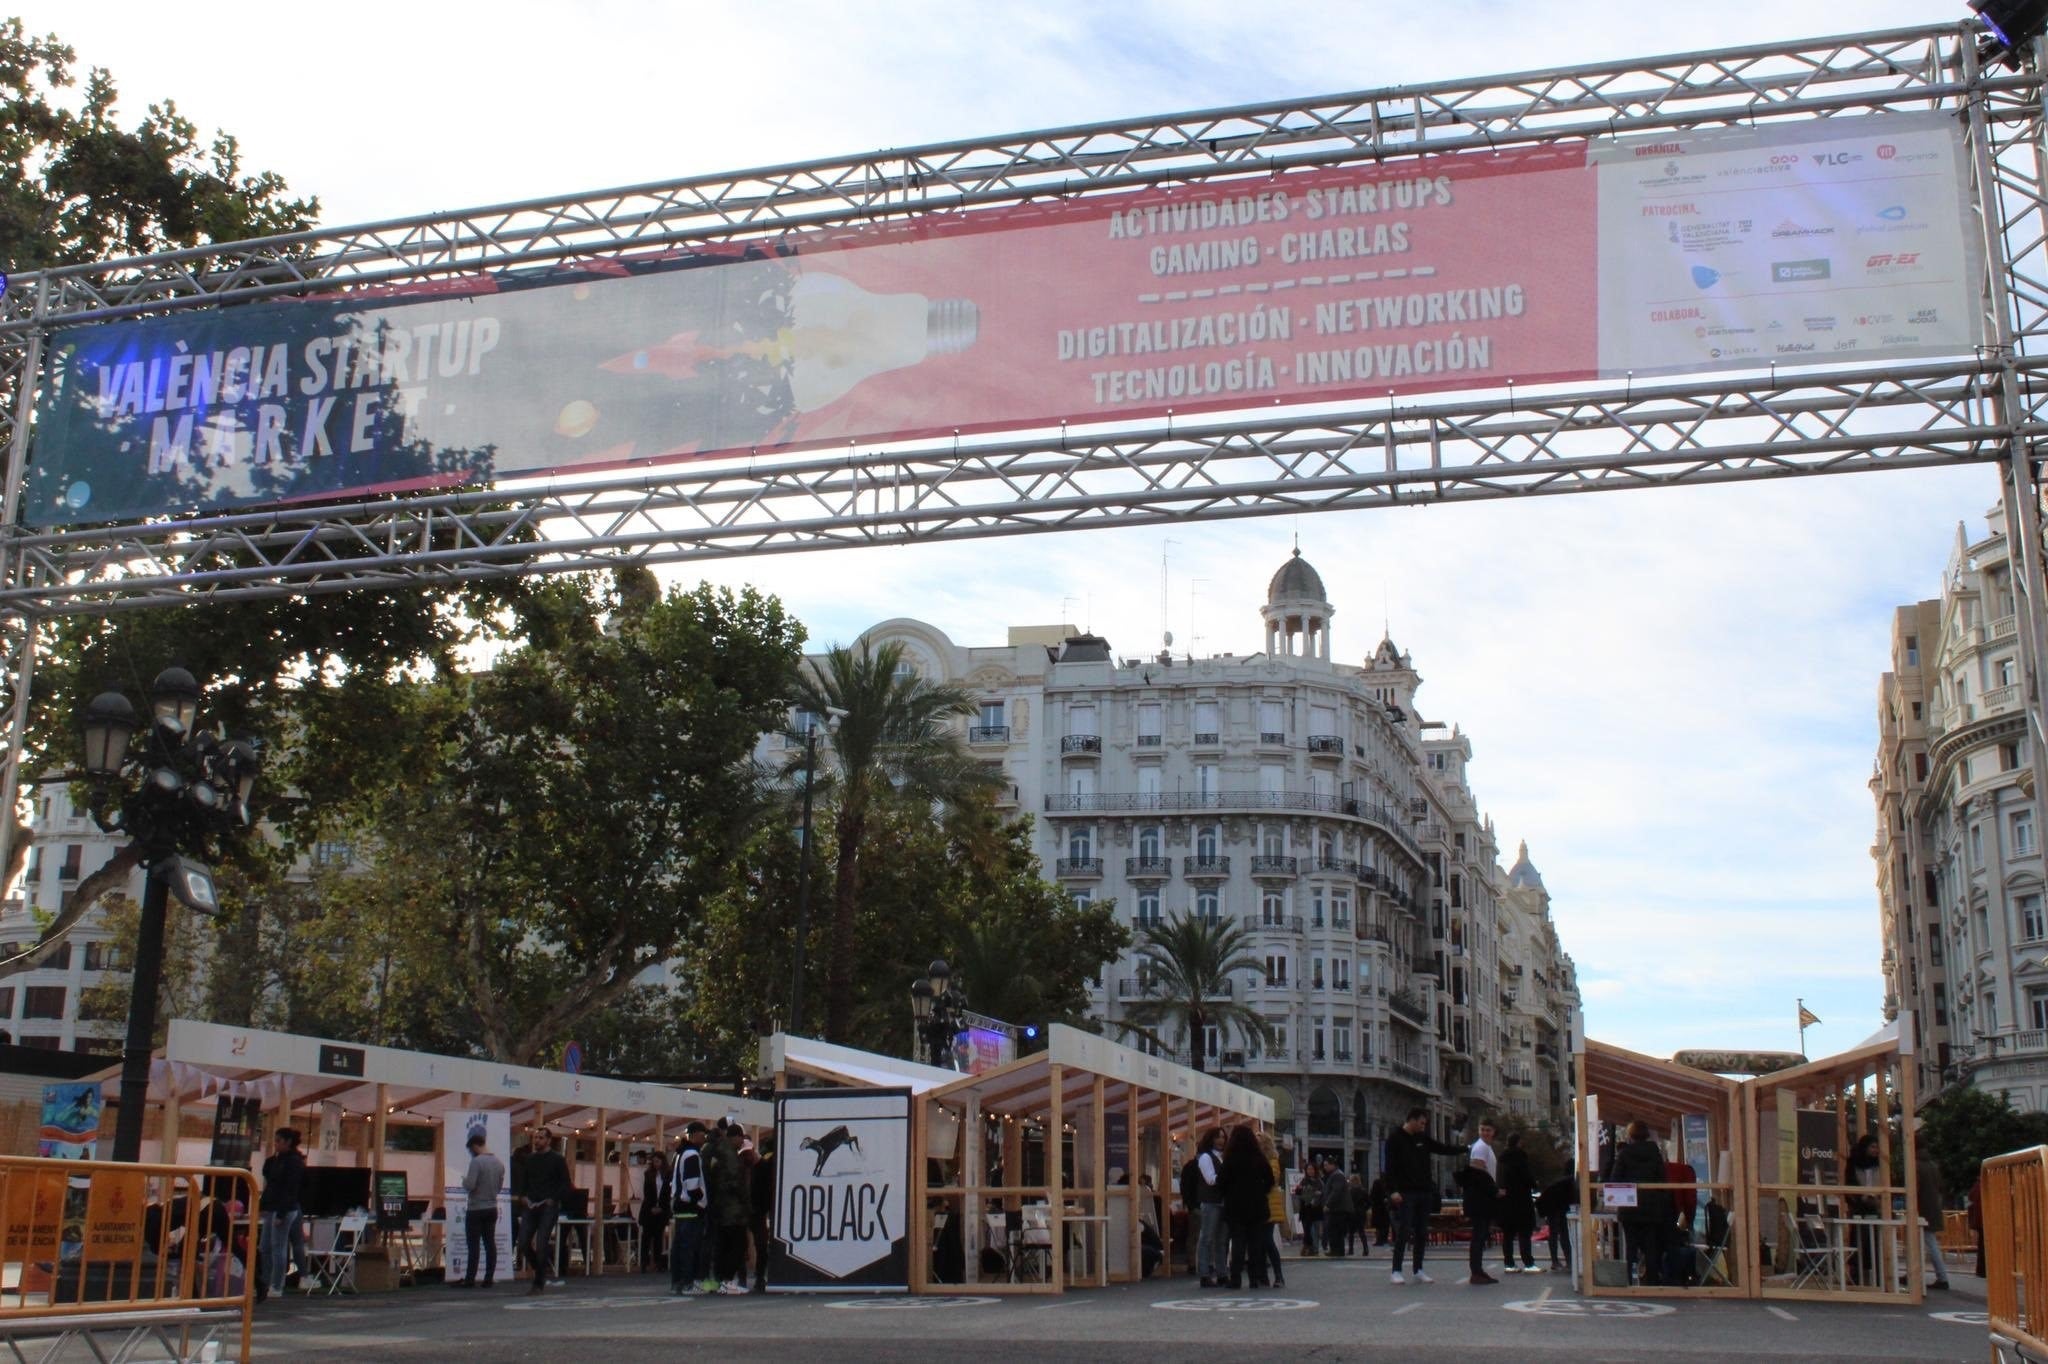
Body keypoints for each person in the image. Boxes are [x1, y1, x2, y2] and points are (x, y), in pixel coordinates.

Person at [1384, 1107, 1469, 1285]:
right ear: (1412, 1120)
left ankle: (1418, 1269)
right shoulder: (1395, 1138)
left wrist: (1465, 1148)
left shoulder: (1422, 1138)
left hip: (1424, 1191)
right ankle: (1396, 1270)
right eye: (1422, 1123)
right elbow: (1390, 1168)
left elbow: (1442, 1148)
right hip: (1406, 1192)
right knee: (1404, 1231)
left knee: (1422, 1232)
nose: (1424, 1127)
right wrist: (1393, 1191)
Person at [1609, 1121, 1672, 1287]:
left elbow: (1615, 1179)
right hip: (1652, 1207)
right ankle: (1651, 1279)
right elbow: (1662, 1180)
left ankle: (1630, 1278)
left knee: (1631, 1246)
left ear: (1630, 1136)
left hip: (1629, 1206)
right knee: (1651, 1245)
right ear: (1647, 1135)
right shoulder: (1655, 1154)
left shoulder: (1624, 1154)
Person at [1221, 1125, 1275, 1290]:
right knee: (1255, 1245)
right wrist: (1260, 1192)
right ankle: (1254, 1278)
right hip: (1257, 1206)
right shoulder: (1259, 1158)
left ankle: (1235, 1278)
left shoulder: (1230, 1159)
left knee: (1238, 1243)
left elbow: (1221, 1182)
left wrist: (1229, 1194)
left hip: (1235, 1207)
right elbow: (1270, 1180)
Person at [520, 1127, 571, 1295]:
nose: (537, 1141)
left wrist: (554, 1198)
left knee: (542, 1242)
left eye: (541, 1138)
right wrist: (523, 1196)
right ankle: (540, 1269)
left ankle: (539, 1281)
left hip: (548, 1205)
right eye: (536, 1138)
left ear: (548, 1140)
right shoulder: (530, 1159)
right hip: (531, 1204)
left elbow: (565, 1183)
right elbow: (523, 1181)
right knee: (523, 1242)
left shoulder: (557, 1160)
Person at [258, 1126, 306, 1300]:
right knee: (265, 1247)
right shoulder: (277, 1160)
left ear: (287, 1142)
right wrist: (263, 1205)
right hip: (273, 1207)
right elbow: (270, 1182)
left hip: (284, 1209)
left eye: (278, 1141)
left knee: (278, 1247)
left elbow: (290, 1189)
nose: (275, 1144)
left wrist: (282, 1212)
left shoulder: (294, 1162)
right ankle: (265, 1281)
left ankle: (277, 1284)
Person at [705, 1121, 750, 1294]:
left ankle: (720, 1279)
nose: (742, 1143)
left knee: (722, 1246)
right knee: (738, 1245)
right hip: (733, 1210)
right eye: (741, 1139)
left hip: (719, 1207)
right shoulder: (730, 1155)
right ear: (736, 1137)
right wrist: (746, 1203)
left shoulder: (715, 1151)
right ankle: (728, 1279)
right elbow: (736, 1184)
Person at [459, 1129, 506, 1287]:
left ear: (475, 1146)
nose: (471, 1153)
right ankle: (488, 1278)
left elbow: (471, 1185)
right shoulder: (499, 1163)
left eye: (471, 1150)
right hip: (492, 1207)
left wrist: (464, 1181)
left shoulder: (477, 1162)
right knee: (489, 1243)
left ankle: (470, 1278)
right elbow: (499, 1188)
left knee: (473, 1245)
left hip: (476, 1208)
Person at [1460, 1120, 1501, 1285]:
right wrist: (1494, 1190)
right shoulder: (1480, 1148)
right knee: (1478, 1235)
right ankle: (1476, 1271)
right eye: (1482, 1129)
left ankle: (1478, 1270)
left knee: (1481, 1234)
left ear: (1494, 1131)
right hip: (1479, 1199)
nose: (1485, 1132)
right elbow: (1478, 1175)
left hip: (1483, 1197)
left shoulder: (1485, 1147)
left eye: (1488, 1130)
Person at [670, 1126, 708, 1294]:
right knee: (690, 1247)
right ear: (694, 1136)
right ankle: (688, 1283)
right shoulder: (692, 1154)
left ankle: (677, 1282)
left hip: (680, 1205)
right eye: (702, 1134)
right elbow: (692, 1183)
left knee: (679, 1246)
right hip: (691, 1207)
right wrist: (700, 1200)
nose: (704, 1137)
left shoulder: (679, 1154)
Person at [1496, 1131, 1538, 1273]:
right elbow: (1527, 1177)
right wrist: (1534, 1183)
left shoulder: (1501, 1158)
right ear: (1519, 1142)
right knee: (1524, 1233)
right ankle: (1528, 1262)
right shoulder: (1520, 1157)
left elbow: (1499, 1179)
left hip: (1506, 1201)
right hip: (1521, 1199)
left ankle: (1509, 1263)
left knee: (1508, 1234)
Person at [1196, 1127, 1228, 1287]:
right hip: (1211, 1202)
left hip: (1223, 1201)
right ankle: (1204, 1273)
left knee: (1221, 1240)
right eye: (1218, 1137)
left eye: (1223, 1137)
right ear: (1211, 1139)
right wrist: (1228, 1177)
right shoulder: (1205, 1157)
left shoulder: (1224, 1157)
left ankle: (1222, 1273)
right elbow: (1210, 1179)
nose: (1221, 1140)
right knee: (1207, 1238)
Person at [1255, 1131, 1286, 1290]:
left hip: (1269, 1205)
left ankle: (1278, 1276)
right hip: (1259, 1204)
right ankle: (1263, 1276)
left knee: (1267, 1240)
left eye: (1258, 1141)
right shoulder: (1256, 1159)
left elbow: (1271, 1179)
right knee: (1259, 1242)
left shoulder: (1272, 1160)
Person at [1917, 1149, 1950, 1290]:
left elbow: (1916, 1187)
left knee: (1929, 1242)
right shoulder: (1932, 1165)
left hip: (1923, 1209)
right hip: (1933, 1207)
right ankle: (1941, 1277)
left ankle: (1942, 1277)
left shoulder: (1916, 1165)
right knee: (1928, 1242)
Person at [749, 1132, 776, 1292]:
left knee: (760, 1245)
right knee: (763, 1245)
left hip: (757, 1208)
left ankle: (759, 1277)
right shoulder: (771, 1162)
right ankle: (762, 1277)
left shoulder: (762, 1163)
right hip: (764, 1208)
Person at [1537, 1167, 1578, 1273]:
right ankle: (1565, 1261)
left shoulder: (1564, 1182)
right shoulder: (1570, 1183)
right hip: (1556, 1206)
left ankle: (1557, 1261)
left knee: (1555, 1233)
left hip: (1552, 1205)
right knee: (1562, 1233)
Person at [639, 1146, 670, 1271]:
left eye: (658, 1161)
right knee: (646, 1236)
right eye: (654, 1161)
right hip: (649, 1209)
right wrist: (652, 1207)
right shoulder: (648, 1174)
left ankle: (658, 1262)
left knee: (658, 1236)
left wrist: (661, 1207)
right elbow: (647, 1192)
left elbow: (668, 1193)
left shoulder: (668, 1175)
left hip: (662, 1209)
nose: (656, 1164)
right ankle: (644, 1262)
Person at [1178, 1146, 1204, 1274]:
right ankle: (1198, 1263)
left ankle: (1193, 1262)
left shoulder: (1189, 1166)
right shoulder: (1195, 1167)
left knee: (1194, 1235)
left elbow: (1184, 1186)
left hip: (1195, 1206)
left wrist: (1189, 1204)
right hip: (1199, 1205)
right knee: (1199, 1235)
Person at [1323, 1159, 1355, 1258]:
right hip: (1338, 1208)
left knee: (1335, 1230)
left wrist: (1328, 1204)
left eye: (1326, 1165)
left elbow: (1336, 1191)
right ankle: (1337, 1250)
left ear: (1333, 1165)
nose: (1325, 1167)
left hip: (1338, 1209)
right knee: (1336, 1230)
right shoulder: (1337, 1174)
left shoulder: (1337, 1175)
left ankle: (1336, 1250)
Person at [1294, 1158, 1324, 1257]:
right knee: (1307, 1229)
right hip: (1306, 1209)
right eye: (1308, 1169)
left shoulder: (1319, 1181)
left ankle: (1314, 1249)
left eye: (1312, 1169)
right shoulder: (1304, 1180)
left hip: (1315, 1209)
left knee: (1315, 1229)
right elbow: (1298, 1192)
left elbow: (1322, 1193)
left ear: (1315, 1170)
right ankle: (1309, 1247)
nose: (1310, 1171)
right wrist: (1300, 1189)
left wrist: (1314, 1193)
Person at [1367, 1172, 1392, 1247]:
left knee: (1379, 1226)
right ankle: (1384, 1239)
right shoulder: (1387, 1184)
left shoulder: (1376, 1183)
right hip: (1384, 1208)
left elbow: (1372, 1196)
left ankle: (1379, 1240)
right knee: (1385, 1225)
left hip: (1377, 1208)